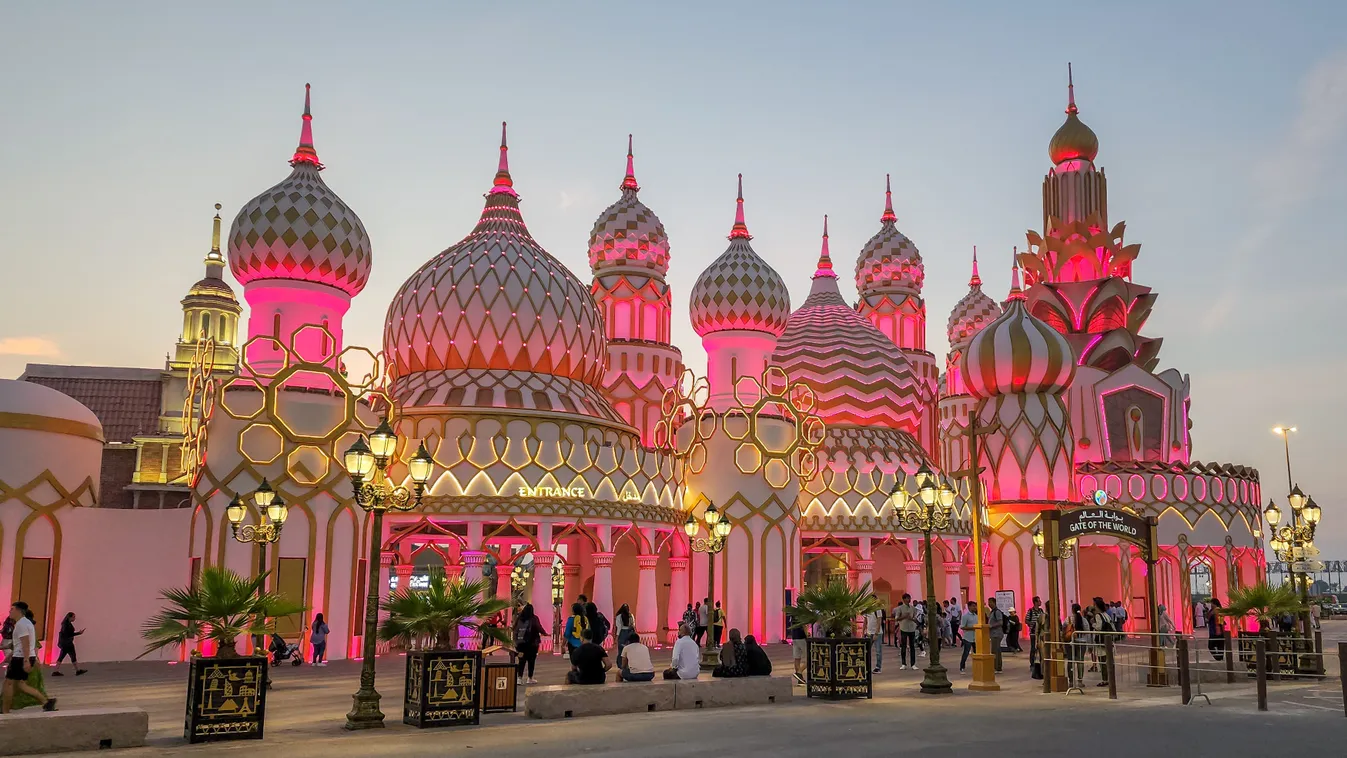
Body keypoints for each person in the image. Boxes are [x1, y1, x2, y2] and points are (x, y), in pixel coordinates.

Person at [3, 602, 55, 713]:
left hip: (20, 657)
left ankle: (5, 711)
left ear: (19, 611)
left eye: (12, 609)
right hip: (24, 656)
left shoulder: (21, 624)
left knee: (9, 683)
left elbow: (25, 643)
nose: (10, 612)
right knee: (21, 684)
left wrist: (26, 660)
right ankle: (46, 702)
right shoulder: (25, 623)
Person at [513, 603, 544, 684]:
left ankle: (519, 678)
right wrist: (545, 633)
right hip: (532, 644)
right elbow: (539, 628)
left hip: (520, 644)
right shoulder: (534, 618)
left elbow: (514, 629)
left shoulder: (519, 618)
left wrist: (515, 642)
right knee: (531, 661)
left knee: (521, 660)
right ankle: (530, 678)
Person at [51, 612, 87, 677]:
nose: (74, 618)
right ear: (69, 617)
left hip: (65, 643)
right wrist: (78, 633)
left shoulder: (65, 624)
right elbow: (68, 634)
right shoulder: (67, 625)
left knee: (62, 657)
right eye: (73, 617)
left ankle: (56, 671)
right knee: (72, 656)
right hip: (68, 644)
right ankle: (77, 670)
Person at [1066, 603, 1088, 686]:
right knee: (1080, 661)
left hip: (1071, 642)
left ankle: (1071, 681)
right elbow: (1087, 631)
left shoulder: (1068, 619)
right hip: (1082, 642)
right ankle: (1080, 681)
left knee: (1070, 661)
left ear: (1072, 610)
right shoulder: (1084, 620)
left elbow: (1064, 628)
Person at [894, 594, 918, 670]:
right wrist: (904, 616)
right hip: (903, 628)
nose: (909, 600)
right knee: (903, 646)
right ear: (904, 599)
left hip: (912, 628)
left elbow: (915, 619)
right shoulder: (899, 608)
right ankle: (903, 663)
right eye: (907, 598)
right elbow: (897, 619)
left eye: (909, 598)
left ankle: (913, 664)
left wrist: (911, 618)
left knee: (912, 647)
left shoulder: (913, 608)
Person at [986, 597, 1005, 673]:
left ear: (994, 602)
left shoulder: (997, 612)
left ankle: (997, 667)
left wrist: (991, 625)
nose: (989, 604)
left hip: (996, 634)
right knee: (995, 650)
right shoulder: (992, 612)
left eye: (990, 602)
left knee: (996, 651)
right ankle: (996, 666)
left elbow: (1000, 622)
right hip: (993, 634)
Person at [1024, 597, 1044, 669]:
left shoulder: (1041, 611)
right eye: (1039, 601)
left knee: (1041, 648)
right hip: (1033, 633)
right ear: (1035, 602)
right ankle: (1032, 663)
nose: (1040, 602)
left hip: (1040, 633)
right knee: (1033, 648)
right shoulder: (1030, 611)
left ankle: (1042, 662)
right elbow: (1026, 620)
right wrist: (1032, 624)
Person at [959, 601, 978, 672]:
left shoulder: (977, 616)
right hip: (967, 637)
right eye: (973, 606)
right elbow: (962, 627)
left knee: (976, 653)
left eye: (975, 606)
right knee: (966, 652)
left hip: (975, 637)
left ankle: (977, 666)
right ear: (969, 607)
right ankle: (962, 666)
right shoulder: (965, 616)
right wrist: (972, 628)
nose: (975, 608)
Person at [789, 615, 809, 685]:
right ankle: (799, 672)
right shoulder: (802, 612)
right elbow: (804, 625)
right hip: (802, 637)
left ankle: (800, 679)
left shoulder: (793, 613)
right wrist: (808, 635)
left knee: (797, 658)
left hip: (795, 637)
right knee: (809, 658)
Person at [864, 606, 883, 673]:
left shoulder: (878, 609)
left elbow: (879, 621)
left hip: (877, 633)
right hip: (869, 633)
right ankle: (866, 666)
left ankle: (878, 667)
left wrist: (876, 633)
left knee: (878, 651)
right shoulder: (867, 609)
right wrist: (864, 631)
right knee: (866, 651)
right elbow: (865, 621)